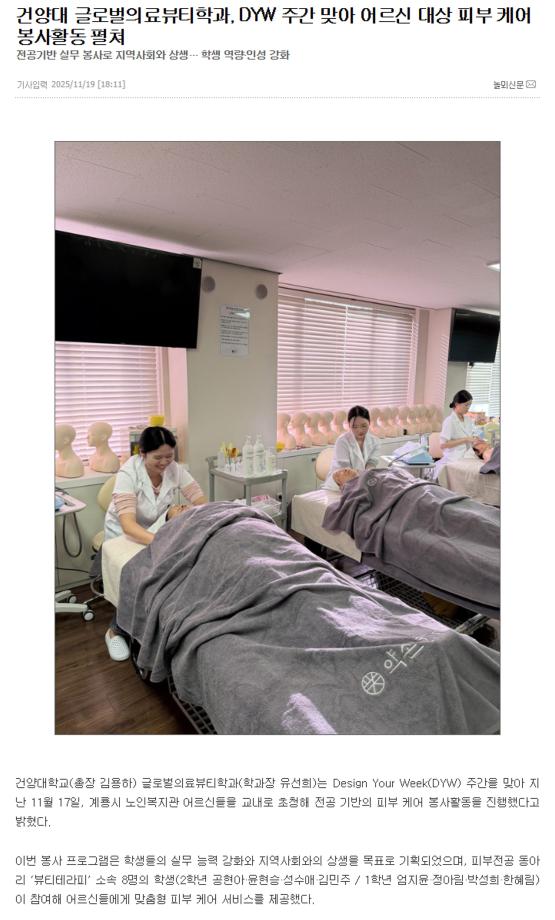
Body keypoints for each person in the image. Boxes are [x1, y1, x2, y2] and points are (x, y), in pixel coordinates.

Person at [103, 425, 207, 661]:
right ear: (142, 453)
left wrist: (205, 518)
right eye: (157, 457)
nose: (164, 462)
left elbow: (200, 500)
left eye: (169, 456)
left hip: (157, 529)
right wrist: (161, 543)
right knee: (140, 578)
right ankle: (115, 631)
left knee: (170, 574)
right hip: (124, 534)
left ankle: (161, 620)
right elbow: (128, 526)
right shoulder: (129, 473)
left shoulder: (174, 469)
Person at [324, 405, 381, 490]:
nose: (360, 430)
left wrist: (367, 478)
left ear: (369, 422)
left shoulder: (375, 441)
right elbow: (345, 471)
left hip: (361, 481)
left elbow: (371, 464)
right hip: (340, 483)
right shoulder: (342, 441)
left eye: (363, 426)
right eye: (355, 427)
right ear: (349, 425)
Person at [433, 389, 479, 478]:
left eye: (470, 405)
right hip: (454, 457)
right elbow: (443, 445)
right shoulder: (449, 421)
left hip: (468, 455)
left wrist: (474, 440)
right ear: (457, 404)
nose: (468, 407)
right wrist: (465, 439)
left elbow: (470, 437)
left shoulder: (468, 420)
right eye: (466, 405)